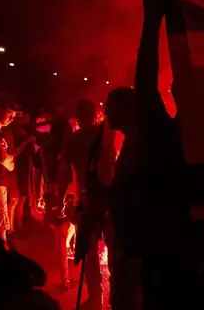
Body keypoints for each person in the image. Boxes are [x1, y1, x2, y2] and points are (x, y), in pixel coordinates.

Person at [135, 0, 204, 309]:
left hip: (179, 283)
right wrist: (153, 21)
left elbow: (145, 88)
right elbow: (144, 87)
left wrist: (153, 19)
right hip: (174, 283)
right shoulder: (171, 139)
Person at [59, 100, 115, 308]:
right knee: (113, 245)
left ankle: (96, 296)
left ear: (78, 116)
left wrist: (59, 197)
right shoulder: (107, 136)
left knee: (89, 250)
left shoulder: (73, 140)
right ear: (96, 114)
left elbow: (64, 171)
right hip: (110, 198)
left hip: (85, 199)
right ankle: (117, 292)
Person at [104, 86, 143, 310]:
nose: (107, 113)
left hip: (135, 237)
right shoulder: (132, 139)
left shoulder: (138, 141)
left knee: (130, 298)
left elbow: (130, 188)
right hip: (129, 236)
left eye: (110, 108)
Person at [32, 117, 74, 289]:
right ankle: (69, 275)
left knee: (60, 236)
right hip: (74, 192)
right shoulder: (72, 148)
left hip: (53, 194)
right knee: (75, 228)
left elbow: (36, 176)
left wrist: (37, 196)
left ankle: (64, 278)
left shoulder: (42, 151)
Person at [0, 101, 18, 246]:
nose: (11, 119)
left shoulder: (0, 132)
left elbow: (9, 163)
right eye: (9, 114)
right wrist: (4, 159)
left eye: (13, 116)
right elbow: (3, 157)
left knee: (1, 225)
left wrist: (4, 159)